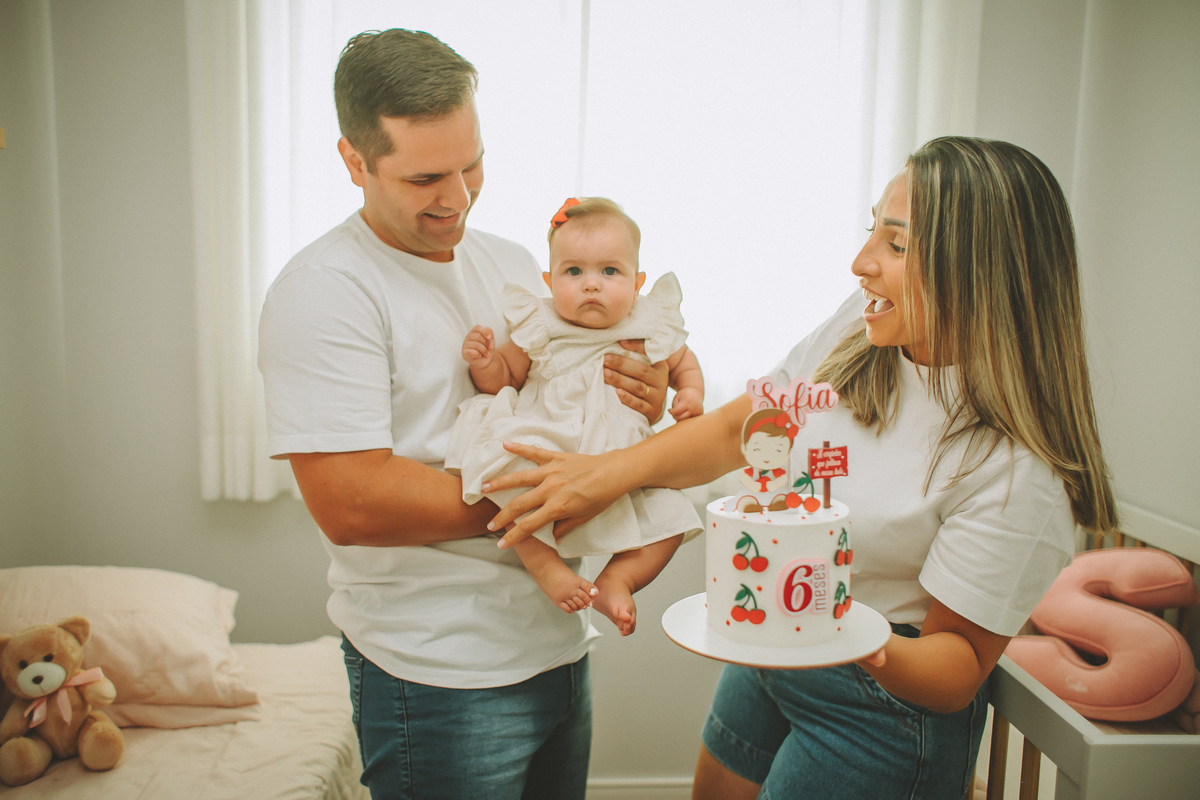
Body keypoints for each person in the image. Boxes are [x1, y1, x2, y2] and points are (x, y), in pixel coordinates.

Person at [482, 137, 1117, 799]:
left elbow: (955, 669)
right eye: (873, 230)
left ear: (981, 272)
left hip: (878, 704)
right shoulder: (869, 324)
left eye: (896, 246)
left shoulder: (1018, 471)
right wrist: (606, 471)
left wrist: (843, 631)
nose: (861, 263)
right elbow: (744, 427)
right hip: (775, 650)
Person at [257, 29, 671, 800]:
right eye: (424, 177)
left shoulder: (515, 263)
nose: (457, 196)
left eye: (471, 163)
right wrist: (558, 496)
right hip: (436, 668)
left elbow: (575, 384)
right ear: (354, 162)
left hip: (555, 643)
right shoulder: (324, 291)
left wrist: (636, 392)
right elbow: (350, 502)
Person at [446, 196, 705, 635]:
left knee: (674, 515)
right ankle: (545, 565)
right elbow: (505, 377)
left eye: (609, 271)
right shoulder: (541, 323)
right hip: (552, 446)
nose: (591, 285)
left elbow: (683, 363)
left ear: (638, 282)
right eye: (574, 272)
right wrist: (485, 361)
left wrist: (691, 394)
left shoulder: (647, 321)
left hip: (623, 463)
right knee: (511, 482)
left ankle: (619, 578)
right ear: (549, 281)